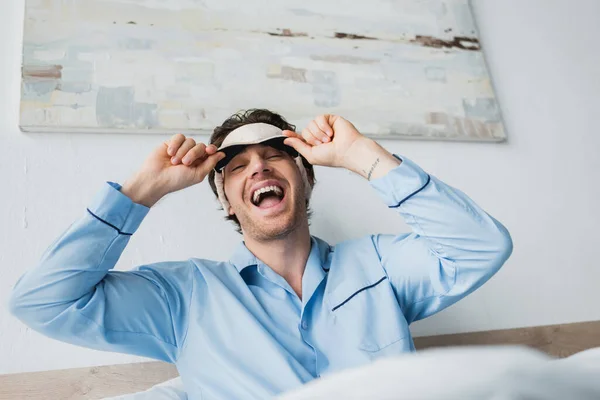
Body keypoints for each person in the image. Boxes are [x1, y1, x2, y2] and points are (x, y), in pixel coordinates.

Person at [9, 109, 513, 400]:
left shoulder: (378, 266)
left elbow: (482, 247)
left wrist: (362, 157)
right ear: (226, 199)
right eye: (236, 166)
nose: (258, 169)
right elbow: (41, 303)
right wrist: (142, 190)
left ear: (306, 176)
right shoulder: (184, 296)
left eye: (275, 155)